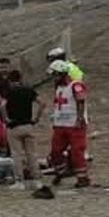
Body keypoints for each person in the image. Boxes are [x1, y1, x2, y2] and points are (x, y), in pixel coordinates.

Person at [47, 59, 91, 188]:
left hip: (74, 124)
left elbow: (80, 101)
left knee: (77, 151)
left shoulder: (76, 85)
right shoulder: (59, 88)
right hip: (60, 123)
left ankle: (82, 178)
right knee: (55, 151)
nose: (54, 78)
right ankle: (63, 170)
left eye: (55, 74)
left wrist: (80, 118)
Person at [2, 69, 42, 187]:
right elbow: (42, 103)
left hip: (14, 126)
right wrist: (36, 118)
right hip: (28, 125)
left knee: (16, 155)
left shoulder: (9, 92)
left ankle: (19, 181)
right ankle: (36, 180)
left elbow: (2, 105)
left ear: (10, 80)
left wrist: (6, 119)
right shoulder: (29, 90)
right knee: (32, 154)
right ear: (21, 78)